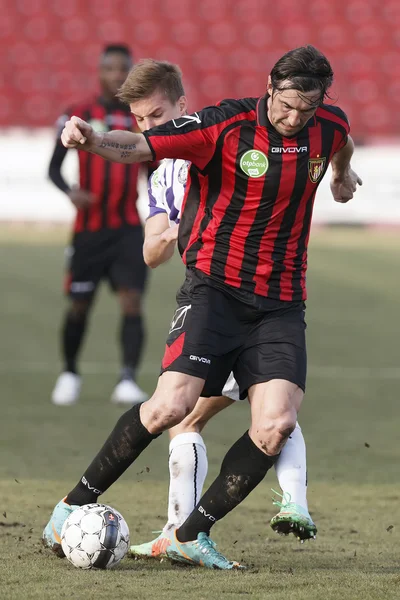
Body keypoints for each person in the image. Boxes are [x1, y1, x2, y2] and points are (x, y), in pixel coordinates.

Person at [43, 46, 362, 569]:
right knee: (171, 408)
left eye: (306, 109)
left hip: (281, 303)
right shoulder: (223, 126)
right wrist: (94, 140)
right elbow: (138, 146)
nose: (294, 117)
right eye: (286, 105)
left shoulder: (326, 124)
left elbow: (340, 141)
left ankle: (191, 533)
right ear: (268, 87)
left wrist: (341, 176)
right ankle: (71, 505)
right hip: (214, 291)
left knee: (276, 424)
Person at [104, 60, 314, 561]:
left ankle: (204, 526)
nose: (149, 128)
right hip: (212, 305)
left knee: (248, 412)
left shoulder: (213, 143)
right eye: (139, 120)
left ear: (182, 106)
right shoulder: (161, 178)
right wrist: (178, 229)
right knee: (213, 415)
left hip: (252, 301)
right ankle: (186, 532)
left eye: (157, 115)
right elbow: (152, 254)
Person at [49, 44, 148, 406]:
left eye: (123, 69)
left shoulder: (140, 118)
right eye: (110, 69)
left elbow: (154, 170)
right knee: (79, 304)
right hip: (89, 229)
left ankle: (127, 379)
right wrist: (70, 192)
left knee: (132, 302)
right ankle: (70, 373)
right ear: (99, 72)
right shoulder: (78, 114)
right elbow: (53, 168)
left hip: (127, 229)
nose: (117, 76)